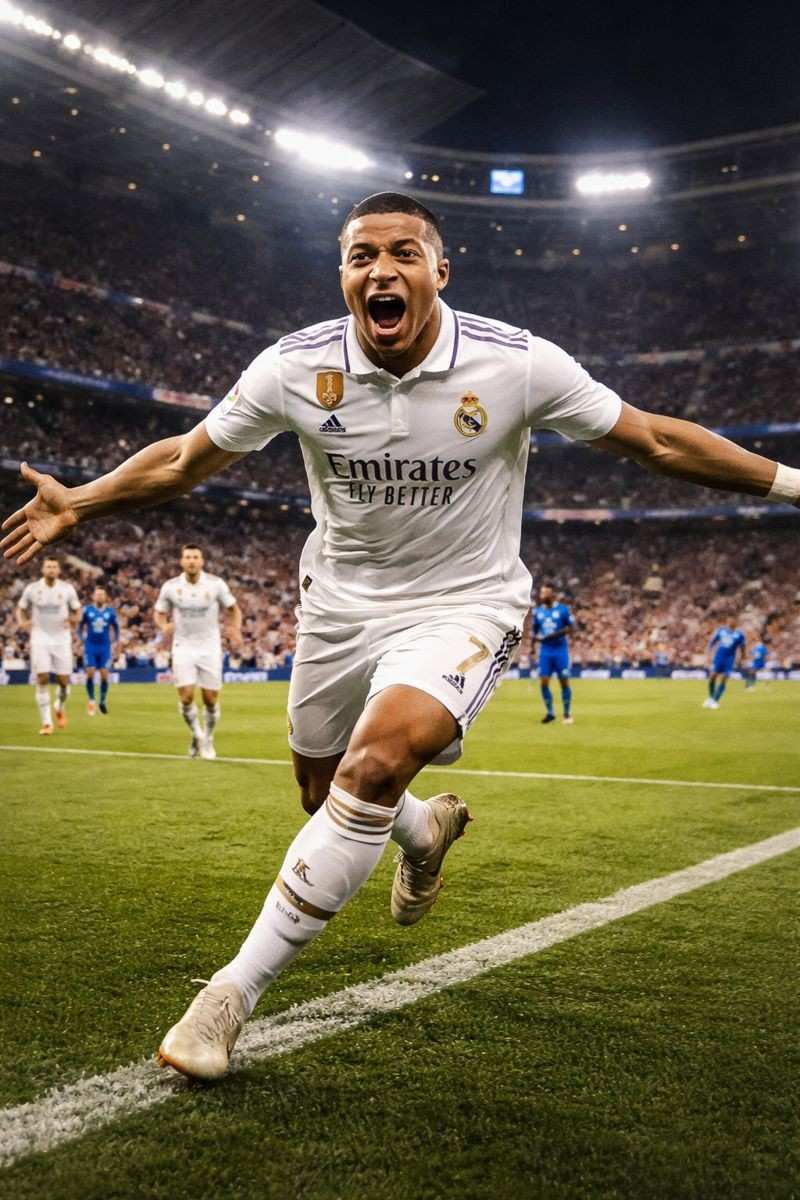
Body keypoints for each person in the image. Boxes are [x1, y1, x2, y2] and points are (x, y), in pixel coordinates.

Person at [3, 191, 800, 1082]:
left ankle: (228, 995)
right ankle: (424, 835)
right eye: (361, 256)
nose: (381, 269)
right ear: (344, 277)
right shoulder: (294, 368)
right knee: (323, 792)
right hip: (339, 606)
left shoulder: (516, 364)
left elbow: (654, 439)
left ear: (438, 272)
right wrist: (86, 496)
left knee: (373, 766)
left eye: (404, 253)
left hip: (466, 604)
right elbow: (188, 458)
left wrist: (795, 483)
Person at [153, 544, 242, 760]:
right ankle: (197, 735)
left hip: (210, 646)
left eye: (195, 557)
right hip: (183, 646)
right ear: (181, 561)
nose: (191, 560)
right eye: (187, 557)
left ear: (201, 561)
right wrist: (164, 627)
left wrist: (235, 630)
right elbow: (159, 612)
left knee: (210, 698)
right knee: (186, 696)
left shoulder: (215, 584)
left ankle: (208, 738)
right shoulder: (171, 587)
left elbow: (234, 609)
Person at [15, 557, 80, 733]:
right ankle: (47, 723)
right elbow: (20, 608)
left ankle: (59, 705)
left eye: (54, 566)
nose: (51, 569)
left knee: (64, 682)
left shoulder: (67, 589)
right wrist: (22, 622)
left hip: (62, 638)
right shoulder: (33, 589)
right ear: (43, 569)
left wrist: (73, 620)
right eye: (48, 566)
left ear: (58, 570)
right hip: (40, 636)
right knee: (42, 677)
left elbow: (77, 611)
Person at [531, 583, 574, 724]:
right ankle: (550, 713)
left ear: (552, 595)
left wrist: (549, 637)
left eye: (545, 593)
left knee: (564, 681)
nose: (542, 596)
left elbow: (570, 628)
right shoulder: (537, 611)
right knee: (543, 682)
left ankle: (567, 714)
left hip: (560, 650)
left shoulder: (563, 609)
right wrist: (532, 647)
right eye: (542, 593)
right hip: (545, 652)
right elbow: (535, 630)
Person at [79, 584, 119, 715]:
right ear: (93, 596)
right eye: (97, 594)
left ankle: (102, 701)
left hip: (105, 647)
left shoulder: (110, 612)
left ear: (105, 597)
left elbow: (116, 628)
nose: (99, 596)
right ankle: (91, 700)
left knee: (104, 675)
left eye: (102, 594)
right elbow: (80, 626)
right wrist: (81, 638)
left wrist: (116, 642)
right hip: (90, 646)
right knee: (90, 672)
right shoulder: (87, 610)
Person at [703, 618, 746, 708]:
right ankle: (711, 698)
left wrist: (742, 658)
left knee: (724, 678)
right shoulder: (721, 631)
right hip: (719, 657)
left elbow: (743, 647)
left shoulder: (740, 634)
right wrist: (708, 655)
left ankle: (715, 700)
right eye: (729, 620)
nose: (731, 621)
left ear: (736, 622)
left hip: (729, 659)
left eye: (733, 620)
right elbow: (711, 643)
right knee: (712, 676)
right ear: (727, 621)